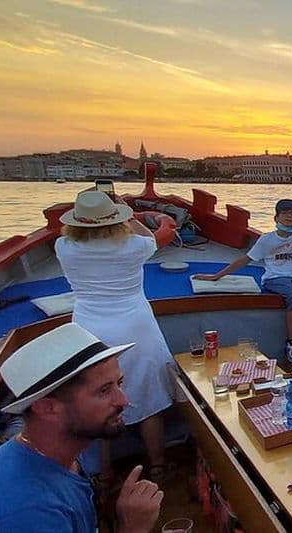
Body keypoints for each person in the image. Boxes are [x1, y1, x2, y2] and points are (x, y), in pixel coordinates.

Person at [0, 323, 162, 532]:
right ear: (47, 408)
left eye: (119, 383)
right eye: (104, 390)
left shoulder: (60, 452)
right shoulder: (28, 512)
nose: (123, 400)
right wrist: (132, 528)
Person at [55, 190, 179, 480]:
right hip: (136, 326)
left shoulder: (64, 247)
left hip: (90, 329)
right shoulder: (134, 246)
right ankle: (158, 465)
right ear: (114, 219)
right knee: (149, 399)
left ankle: (104, 473)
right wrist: (126, 210)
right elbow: (151, 236)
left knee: (98, 405)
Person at [194, 198, 292, 363]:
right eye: (284, 214)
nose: (289, 218)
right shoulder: (267, 239)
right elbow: (245, 259)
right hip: (274, 278)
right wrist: (216, 276)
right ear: (276, 218)